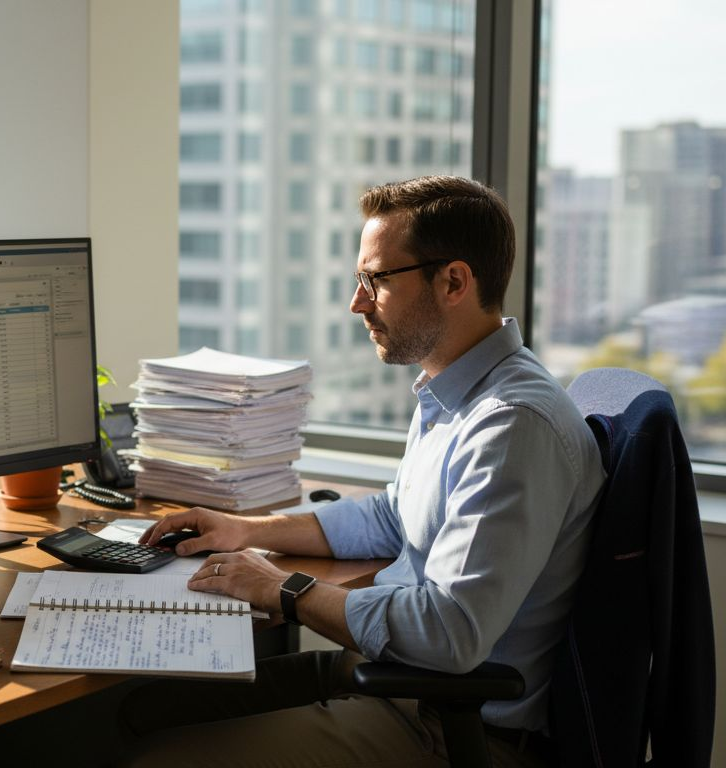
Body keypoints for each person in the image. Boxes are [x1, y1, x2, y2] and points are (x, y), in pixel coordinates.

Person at [121, 175, 605, 767]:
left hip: (450, 727)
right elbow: (393, 514)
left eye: (375, 280)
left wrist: (286, 589)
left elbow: (450, 634)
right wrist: (248, 531)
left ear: (453, 281)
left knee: (152, 761)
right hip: (394, 681)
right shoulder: (453, 392)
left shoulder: (511, 424)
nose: (357, 303)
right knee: (140, 713)